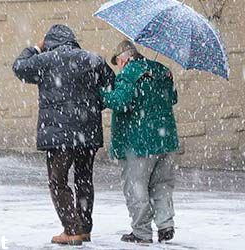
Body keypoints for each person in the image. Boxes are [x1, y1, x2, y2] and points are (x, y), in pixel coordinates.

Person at [12, 24, 115, 245]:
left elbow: (19, 67)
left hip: (58, 136)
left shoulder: (45, 60)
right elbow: (111, 85)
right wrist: (92, 106)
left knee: (58, 181)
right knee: (84, 179)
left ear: (50, 42)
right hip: (87, 132)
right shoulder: (92, 59)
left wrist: (35, 48)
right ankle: (84, 227)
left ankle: (72, 229)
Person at [101, 40, 180, 244]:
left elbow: (120, 101)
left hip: (139, 142)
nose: (118, 67)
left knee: (136, 186)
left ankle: (141, 232)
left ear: (123, 59)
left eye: (118, 63)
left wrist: (101, 94)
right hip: (166, 141)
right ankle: (165, 225)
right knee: (161, 185)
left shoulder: (129, 72)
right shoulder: (163, 70)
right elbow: (172, 98)